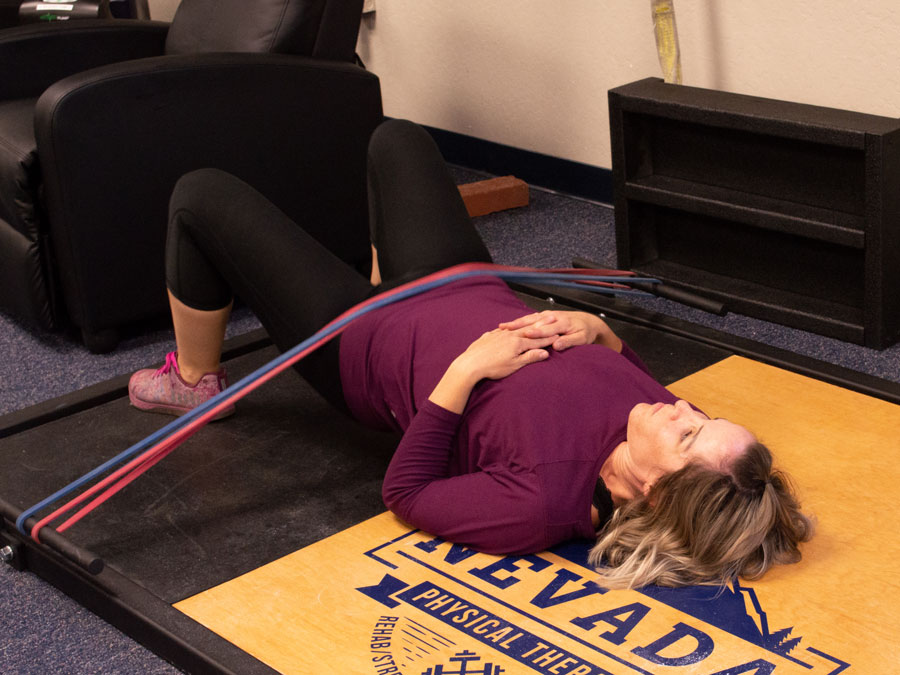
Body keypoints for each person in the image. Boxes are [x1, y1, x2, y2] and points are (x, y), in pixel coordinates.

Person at [128, 119, 813, 589]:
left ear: (660, 489)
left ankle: (195, 381)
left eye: (690, 431)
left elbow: (407, 492)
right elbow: (619, 375)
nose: (683, 406)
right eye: (700, 413)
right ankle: (383, 270)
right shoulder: (655, 418)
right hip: (459, 280)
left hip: (363, 340)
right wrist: (596, 331)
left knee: (200, 195)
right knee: (398, 139)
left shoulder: (542, 504)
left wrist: (465, 372)